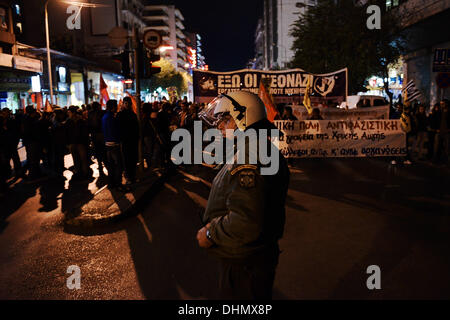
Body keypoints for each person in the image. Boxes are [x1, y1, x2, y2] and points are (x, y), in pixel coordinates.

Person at [196, 91, 290, 300]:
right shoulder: (250, 149)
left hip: (245, 262)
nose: (219, 126)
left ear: (244, 119)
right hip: (249, 258)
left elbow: (245, 221)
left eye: (226, 120)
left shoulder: (250, 155)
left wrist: (211, 234)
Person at [102, 100, 127, 191]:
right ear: (112, 107)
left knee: (111, 166)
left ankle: (111, 183)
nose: (117, 107)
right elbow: (116, 131)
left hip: (107, 144)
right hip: (114, 144)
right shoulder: (112, 118)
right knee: (119, 165)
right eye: (116, 106)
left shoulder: (105, 117)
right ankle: (118, 184)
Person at [117, 97, 139, 184]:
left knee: (133, 159)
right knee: (126, 160)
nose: (127, 105)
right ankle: (128, 177)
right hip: (125, 141)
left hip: (132, 140)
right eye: (125, 103)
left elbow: (136, 128)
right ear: (123, 104)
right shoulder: (120, 115)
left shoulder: (133, 114)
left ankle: (132, 176)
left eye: (129, 103)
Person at [88, 102, 107, 175]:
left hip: (94, 135)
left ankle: (100, 167)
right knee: (104, 152)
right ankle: (107, 166)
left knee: (98, 152)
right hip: (101, 135)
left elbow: (89, 125)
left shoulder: (90, 114)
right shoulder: (102, 113)